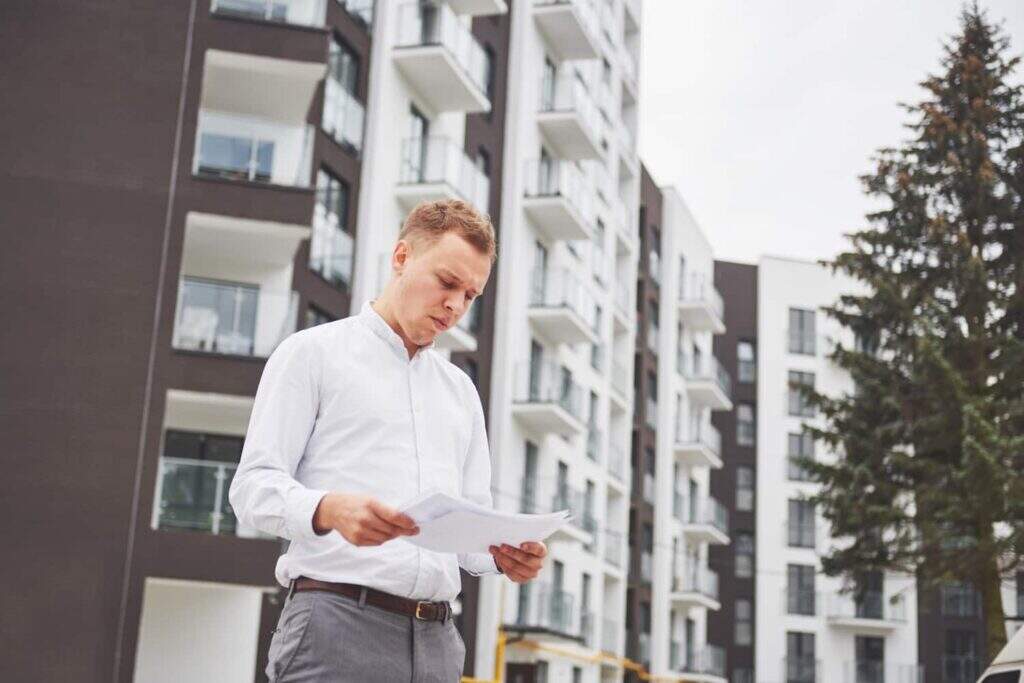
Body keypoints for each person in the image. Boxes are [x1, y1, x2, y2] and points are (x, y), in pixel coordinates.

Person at [229, 199, 547, 682]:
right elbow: (251, 488)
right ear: (402, 257)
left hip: (438, 643)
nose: (455, 306)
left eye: (470, 295)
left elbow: (470, 532)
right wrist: (328, 509)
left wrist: (505, 556)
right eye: (446, 282)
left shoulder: (460, 391)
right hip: (335, 628)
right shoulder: (312, 354)